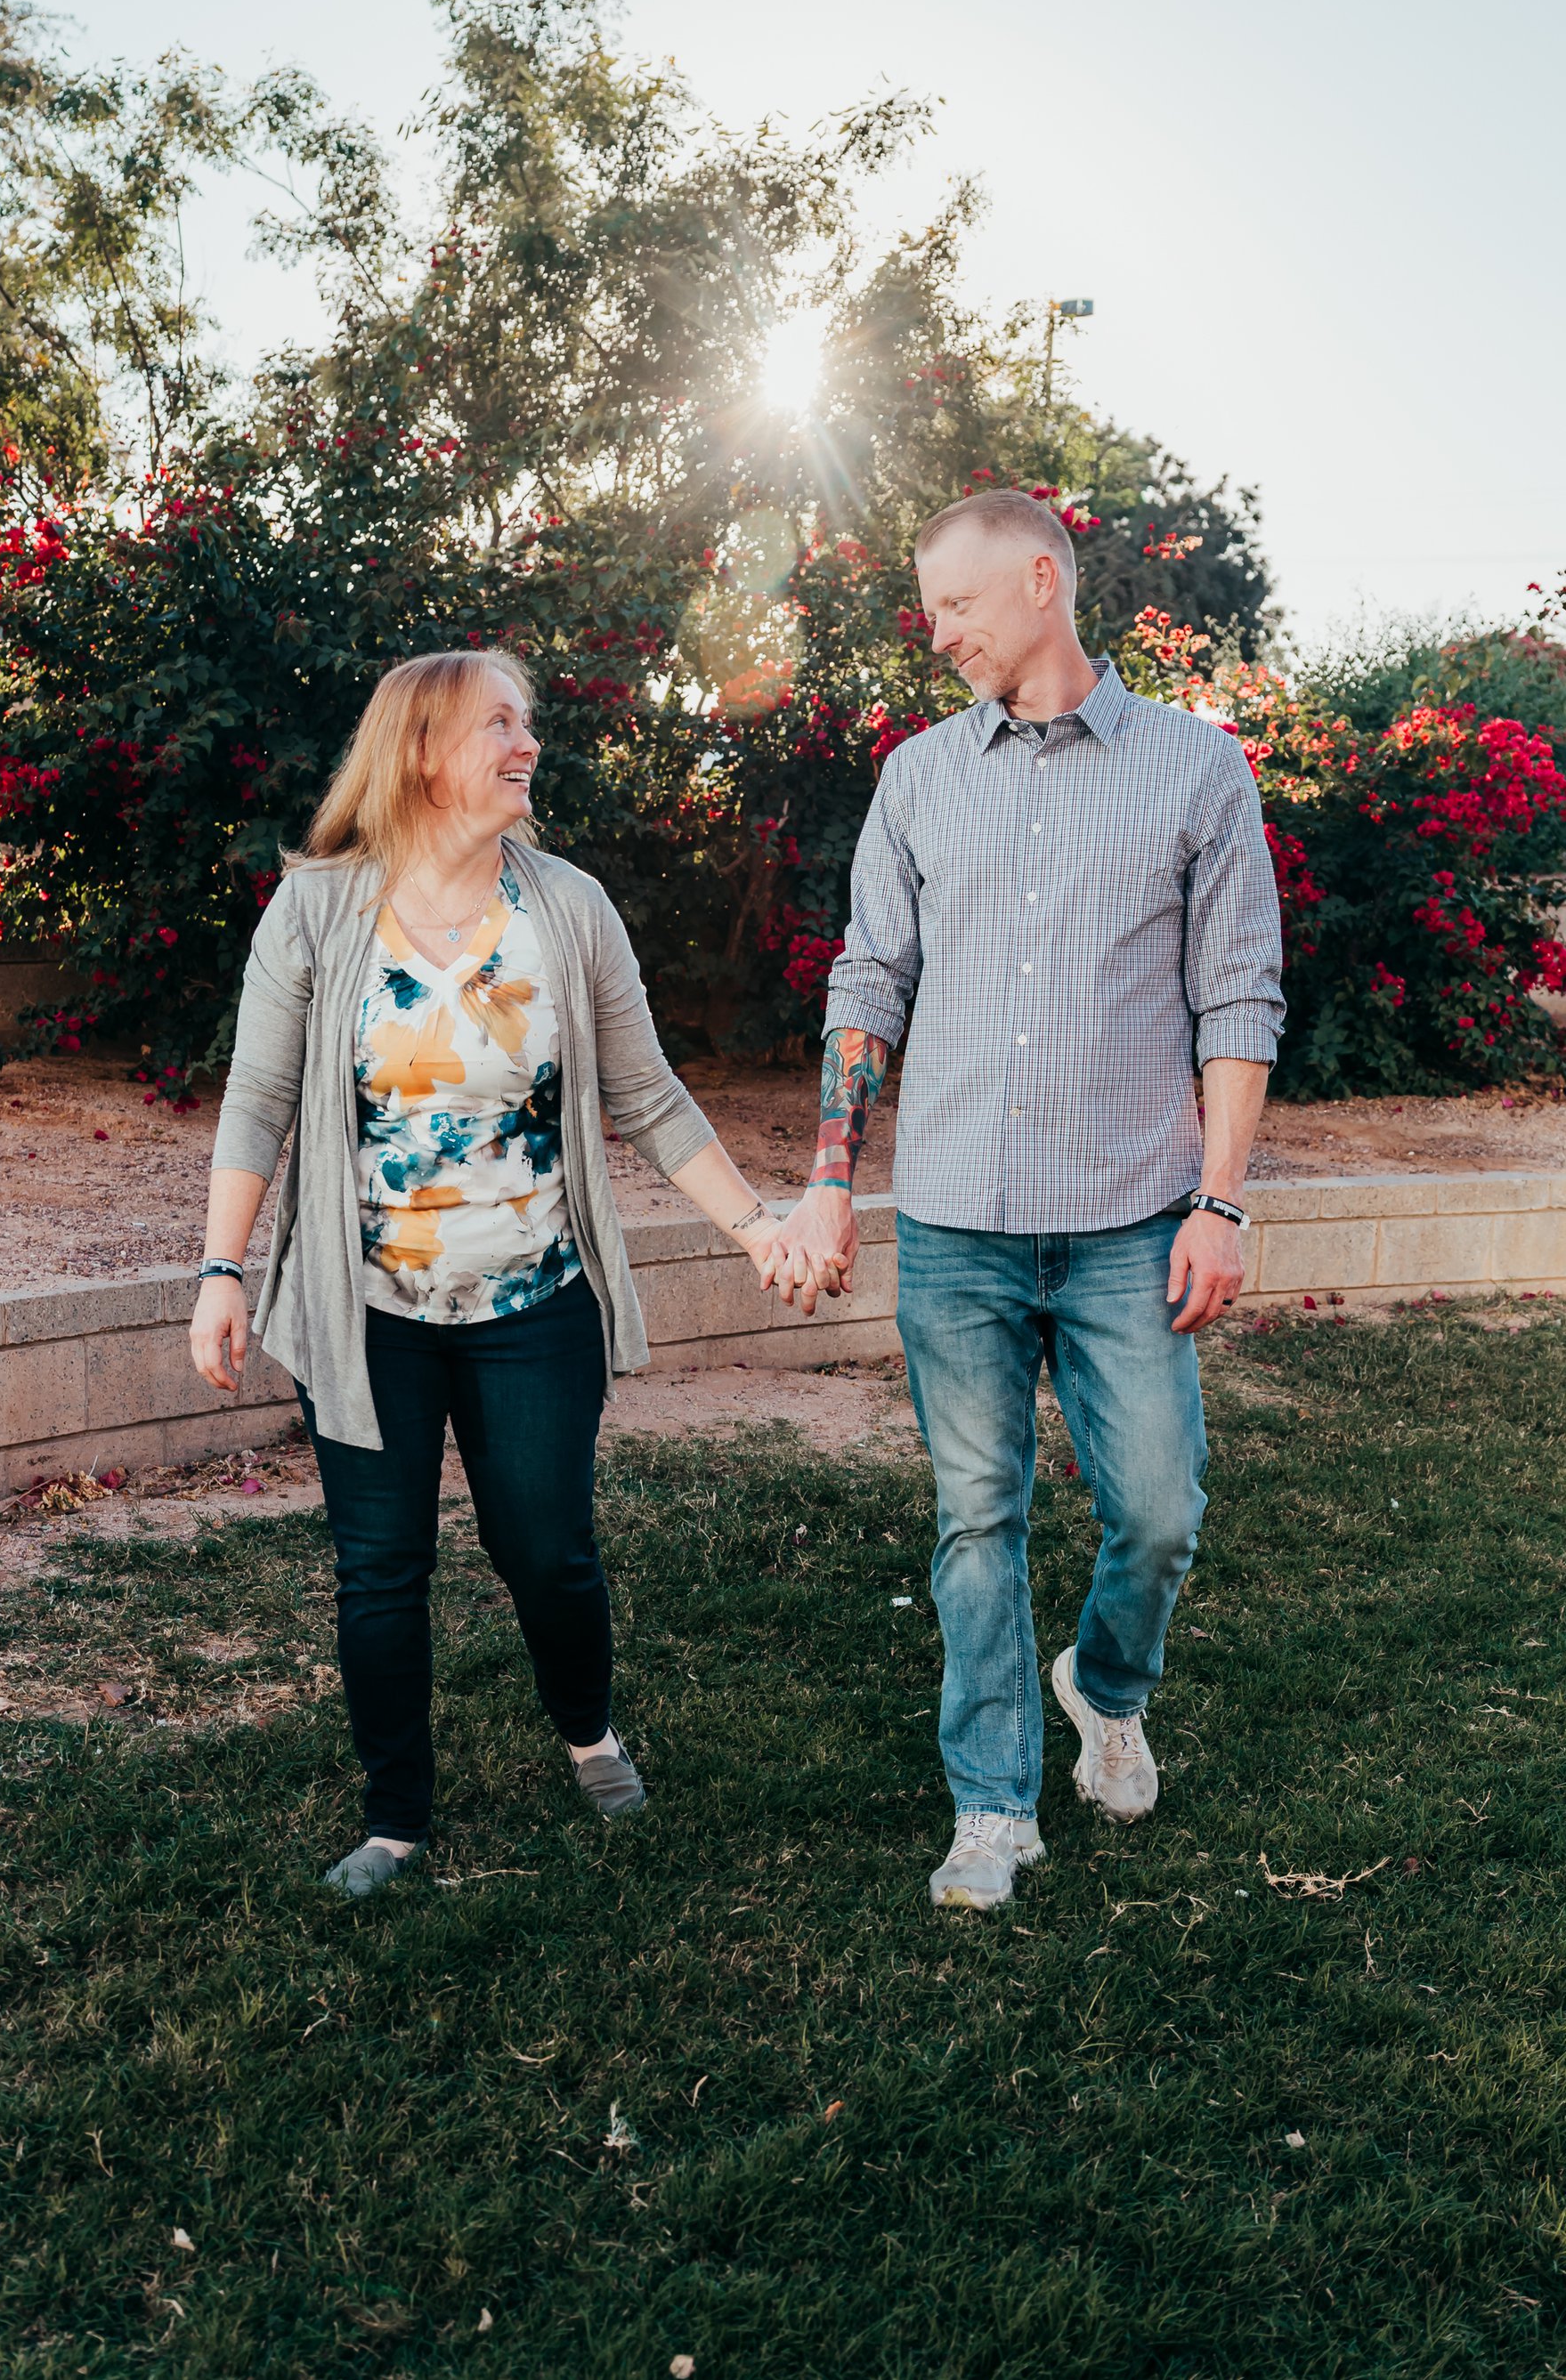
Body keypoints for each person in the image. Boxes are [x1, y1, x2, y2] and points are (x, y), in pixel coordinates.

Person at [762, 490, 1283, 1912]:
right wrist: (829, 1178)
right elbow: (870, 980)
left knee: (1160, 1512)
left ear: (1043, 581)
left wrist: (1221, 1203)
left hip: (1132, 1219)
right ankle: (993, 1805)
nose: (938, 634)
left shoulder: (1196, 770)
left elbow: (1238, 997)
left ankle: (1104, 1687)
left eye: (959, 604)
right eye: (930, 609)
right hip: (956, 1224)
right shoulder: (920, 778)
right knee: (977, 1520)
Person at [191, 651, 781, 1898]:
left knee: (546, 1549)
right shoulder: (317, 909)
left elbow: (647, 1098)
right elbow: (257, 1100)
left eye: (527, 723)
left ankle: (588, 1730)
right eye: (496, 725)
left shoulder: (567, 908)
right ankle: (396, 1819)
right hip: (365, 1309)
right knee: (379, 1567)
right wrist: (221, 1269)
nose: (527, 745)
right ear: (419, 753)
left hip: (534, 1301)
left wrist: (756, 1226)